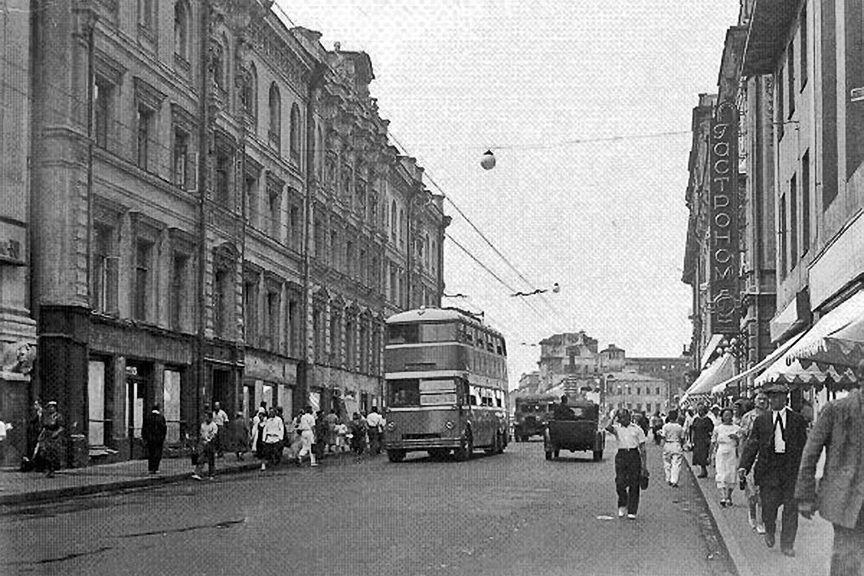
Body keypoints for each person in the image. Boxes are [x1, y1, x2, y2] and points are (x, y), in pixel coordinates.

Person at [795, 370, 864, 575]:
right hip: (846, 497)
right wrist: (805, 495)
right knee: (846, 557)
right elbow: (810, 454)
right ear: (860, 380)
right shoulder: (835, 410)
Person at [738, 383, 808, 556]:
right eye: (773, 397)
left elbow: (805, 446)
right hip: (769, 470)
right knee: (768, 507)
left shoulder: (797, 420)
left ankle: (787, 544)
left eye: (779, 397)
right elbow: (752, 444)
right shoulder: (762, 421)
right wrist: (743, 466)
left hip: (790, 470)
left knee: (791, 509)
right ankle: (769, 529)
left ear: (786, 399)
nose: (775, 400)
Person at [603, 409, 648, 520]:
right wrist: (613, 416)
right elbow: (607, 427)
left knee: (634, 483)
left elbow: (643, 449)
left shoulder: (637, 429)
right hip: (621, 455)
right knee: (620, 481)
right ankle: (623, 502)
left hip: (633, 454)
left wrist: (644, 466)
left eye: (623, 417)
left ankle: (632, 510)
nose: (621, 419)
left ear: (629, 417)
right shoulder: (618, 429)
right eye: (620, 417)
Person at [739, 392, 768, 534]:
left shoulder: (771, 416)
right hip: (751, 459)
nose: (762, 401)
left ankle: (762, 521)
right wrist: (742, 462)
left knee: (763, 493)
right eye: (759, 399)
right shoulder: (747, 417)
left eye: (764, 399)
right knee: (752, 494)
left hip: (766, 458)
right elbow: (743, 439)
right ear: (755, 401)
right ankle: (752, 515)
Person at [711, 407, 741, 507]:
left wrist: (736, 438)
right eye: (726, 415)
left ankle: (729, 495)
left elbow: (741, 442)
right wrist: (711, 455)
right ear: (722, 416)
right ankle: (723, 496)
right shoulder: (718, 428)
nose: (728, 417)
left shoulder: (737, 428)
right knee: (721, 473)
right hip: (721, 452)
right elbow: (714, 442)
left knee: (731, 474)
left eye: (730, 415)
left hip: (732, 452)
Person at [36, 401, 65, 477]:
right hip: (46, 435)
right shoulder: (46, 417)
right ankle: (47, 468)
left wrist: (56, 433)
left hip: (54, 436)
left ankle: (52, 469)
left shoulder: (58, 416)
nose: (50, 409)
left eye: (52, 407)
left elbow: (61, 427)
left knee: (53, 453)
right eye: (49, 407)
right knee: (44, 452)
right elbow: (42, 425)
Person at [660, 410, 685, 487]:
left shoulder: (665, 426)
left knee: (667, 463)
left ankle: (668, 478)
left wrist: (663, 443)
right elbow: (682, 437)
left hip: (668, 444)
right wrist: (682, 445)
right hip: (676, 444)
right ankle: (674, 480)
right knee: (676, 463)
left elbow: (663, 436)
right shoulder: (679, 427)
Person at [142, 403, 167, 474]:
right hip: (159, 439)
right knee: (158, 453)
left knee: (151, 453)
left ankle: (150, 468)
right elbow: (164, 429)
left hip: (150, 439)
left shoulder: (148, 417)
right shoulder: (161, 418)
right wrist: (162, 437)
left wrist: (145, 438)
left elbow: (144, 429)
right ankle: (156, 468)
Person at [690, 403, 714, 478]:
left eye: (701, 410)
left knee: (704, 455)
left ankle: (704, 470)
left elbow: (711, 429)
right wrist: (692, 440)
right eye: (698, 410)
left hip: (704, 440)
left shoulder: (707, 420)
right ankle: (702, 470)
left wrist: (709, 438)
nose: (700, 411)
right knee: (698, 455)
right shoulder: (696, 419)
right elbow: (693, 430)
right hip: (697, 439)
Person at [193, 411, 218, 480]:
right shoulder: (203, 425)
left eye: (207, 417)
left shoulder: (213, 425)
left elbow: (214, 435)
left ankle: (211, 474)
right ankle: (198, 473)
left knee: (211, 459)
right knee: (201, 458)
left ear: (210, 418)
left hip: (210, 444)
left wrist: (209, 440)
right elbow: (201, 433)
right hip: (203, 443)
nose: (205, 418)